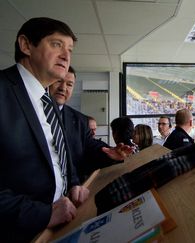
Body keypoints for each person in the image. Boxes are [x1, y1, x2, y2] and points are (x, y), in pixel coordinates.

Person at [0, 17, 89, 242]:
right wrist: (42, 214)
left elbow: (58, 154)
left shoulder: (48, 101)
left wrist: (74, 182)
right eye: (56, 44)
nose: (66, 56)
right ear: (26, 45)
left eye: (69, 50)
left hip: (59, 225)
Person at [49, 66, 134, 182]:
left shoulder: (80, 120)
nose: (63, 88)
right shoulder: (31, 112)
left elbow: (91, 147)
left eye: (69, 84)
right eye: (59, 81)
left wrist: (110, 154)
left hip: (71, 191)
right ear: (48, 81)